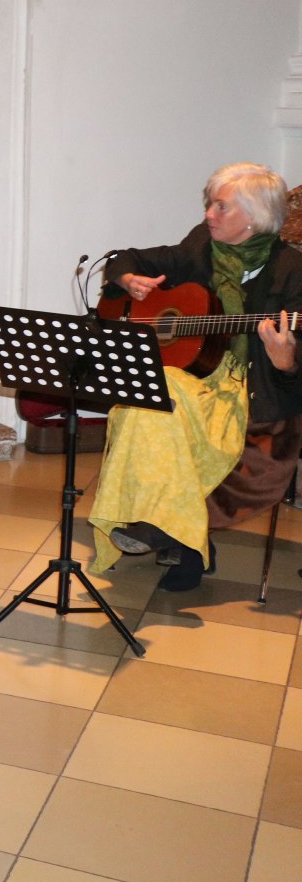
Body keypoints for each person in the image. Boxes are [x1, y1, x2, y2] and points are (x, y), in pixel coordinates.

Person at [89, 163, 302, 592]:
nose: (209, 214)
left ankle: (171, 533)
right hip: (192, 376)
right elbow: (125, 258)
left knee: (167, 405)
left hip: (253, 391)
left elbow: (294, 375)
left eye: (221, 206)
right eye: (210, 204)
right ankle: (177, 535)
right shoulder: (200, 245)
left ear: (255, 216)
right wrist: (128, 280)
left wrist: (286, 363)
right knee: (150, 400)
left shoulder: (292, 269)